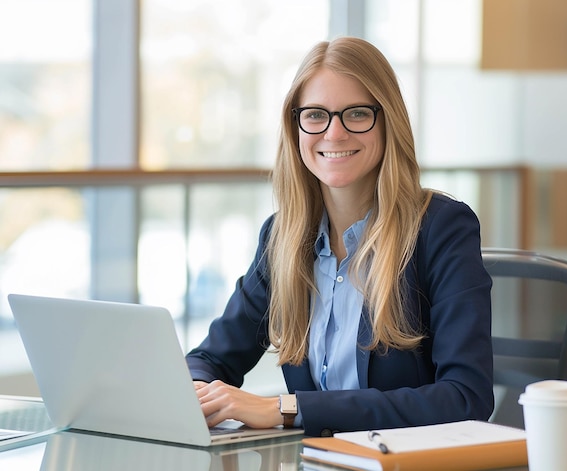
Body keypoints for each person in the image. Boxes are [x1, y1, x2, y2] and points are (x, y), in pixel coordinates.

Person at [186, 36, 494, 437]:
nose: (334, 133)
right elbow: (211, 358)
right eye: (316, 115)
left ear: (388, 121)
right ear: (295, 126)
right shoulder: (283, 237)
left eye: (357, 114)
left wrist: (287, 409)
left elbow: (466, 397)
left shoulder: (441, 228)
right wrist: (194, 390)